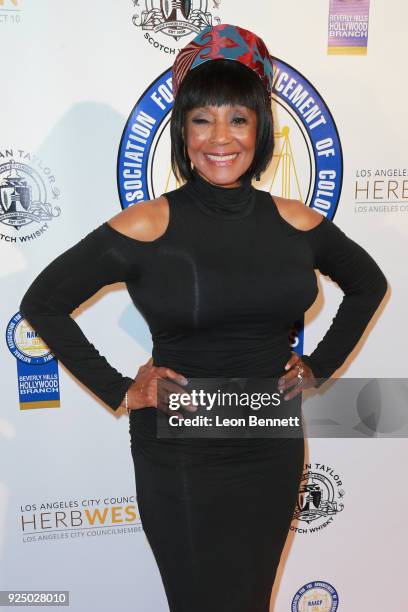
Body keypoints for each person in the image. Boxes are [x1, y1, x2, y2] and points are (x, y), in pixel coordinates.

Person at [19, 23, 388, 612]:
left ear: (260, 129)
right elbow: (42, 302)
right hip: (181, 450)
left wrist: (317, 367)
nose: (221, 137)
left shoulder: (298, 223)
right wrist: (120, 389)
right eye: (202, 119)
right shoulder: (146, 224)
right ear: (182, 132)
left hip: (268, 438)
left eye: (238, 119)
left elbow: (369, 285)